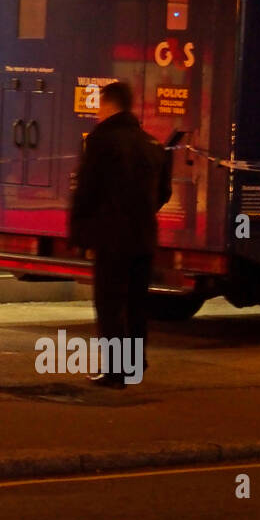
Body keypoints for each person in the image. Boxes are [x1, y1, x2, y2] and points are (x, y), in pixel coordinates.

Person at [68, 80, 171, 386]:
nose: (97, 112)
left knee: (110, 305)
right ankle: (135, 365)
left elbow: (87, 190)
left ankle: (115, 372)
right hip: (144, 236)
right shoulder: (152, 143)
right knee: (136, 303)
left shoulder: (101, 141)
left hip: (111, 237)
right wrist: (143, 211)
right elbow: (164, 191)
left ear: (108, 104)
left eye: (99, 105)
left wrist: (80, 233)